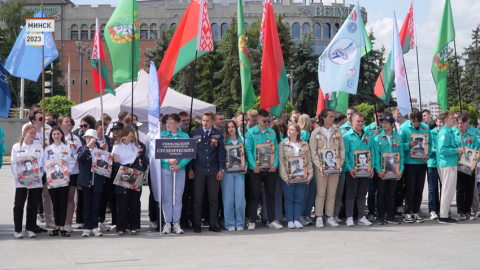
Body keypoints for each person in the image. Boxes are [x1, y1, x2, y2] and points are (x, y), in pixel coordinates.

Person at [188, 111, 226, 233]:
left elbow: (221, 153)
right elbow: (190, 153)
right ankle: (197, 224)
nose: (205, 123)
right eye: (203, 120)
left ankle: (213, 223)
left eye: (207, 120)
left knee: (213, 199)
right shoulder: (194, 133)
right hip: (198, 170)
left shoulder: (218, 134)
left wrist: (221, 169)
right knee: (197, 199)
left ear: (213, 122)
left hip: (213, 170)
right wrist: (190, 169)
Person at [245, 109, 283, 230]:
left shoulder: (272, 132)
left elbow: (276, 149)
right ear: (258, 120)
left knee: (270, 194)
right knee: (254, 195)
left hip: (270, 168)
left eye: (268, 120)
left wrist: (275, 164)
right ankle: (252, 219)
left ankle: (271, 219)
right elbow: (248, 150)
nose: (266, 122)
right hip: (256, 169)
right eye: (264, 120)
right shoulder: (251, 133)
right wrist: (253, 166)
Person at [310, 108, 345, 228]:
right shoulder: (316, 132)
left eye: (333, 116)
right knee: (321, 193)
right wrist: (319, 166)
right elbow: (313, 151)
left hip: (335, 166)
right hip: (321, 168)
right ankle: (319, 216)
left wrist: (339, 165)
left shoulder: (337, 131)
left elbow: (341, 149)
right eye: (330, 116)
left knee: (332, 193)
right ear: (323, 118)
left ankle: (330, 217)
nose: (333, 118)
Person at [112, 125, 147, 235]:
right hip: (122, 173)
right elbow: (116, 162)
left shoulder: (135, 146)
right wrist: (125, 170)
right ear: (124, 135)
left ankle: (133, 226)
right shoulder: (117, 146)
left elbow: (138, 160)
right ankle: (121, 227)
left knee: (134, 201)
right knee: (122, 202)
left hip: (133, 172)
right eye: (129, 136)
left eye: (132, 137)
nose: (131, 138)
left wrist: (136, 170)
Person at [160, 114, 191, 234]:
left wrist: (179, 165)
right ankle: (167, 222)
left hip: (180, 170)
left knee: (178, 197)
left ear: (178, 123)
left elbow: (188, 154)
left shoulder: (184, 136)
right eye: (167, 122)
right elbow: (157, 153)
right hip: (165, 169)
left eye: (171, 122)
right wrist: (167, 160)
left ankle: (177, 223)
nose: (168, 124)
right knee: (167, 196)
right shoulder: (162, 136)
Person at [11, 125, 45, 238]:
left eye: (35, 133)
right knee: (19, 204)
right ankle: (18, 230)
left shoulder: (39, 146)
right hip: (21, 182)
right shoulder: (17, 147)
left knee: (33, 204)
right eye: (31, 133)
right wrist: (20, 178)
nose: (33, 135)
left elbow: (42, 163)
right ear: (25, 132)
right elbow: (13, 164)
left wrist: (37, 176)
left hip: (36, 180)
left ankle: (30, 229)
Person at [278, 123, 313, 229]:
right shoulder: (283, 144)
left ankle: (297, 219)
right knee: (289, 198)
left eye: (292, 129)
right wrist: (285, 177)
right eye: (288, 129)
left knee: (299, 198)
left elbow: (308, 161)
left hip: (302, 176)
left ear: (298, 132)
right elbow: (281, 161)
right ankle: (290, 220)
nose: (289, 131)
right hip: (288, 176)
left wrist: (310, 175)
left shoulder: (304, 144)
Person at [343, 112, 375, 227]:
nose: (360, 123)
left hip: (366, 169)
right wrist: (349, 168)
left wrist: (372, 167)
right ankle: (350, 217)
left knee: (362, 194)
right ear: (352, 122)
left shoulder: (368, 136)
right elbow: (345, 154)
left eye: (362, 121)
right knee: (351, 194)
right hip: (352, 170)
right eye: (358, 121)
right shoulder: (347, 136)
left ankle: (362, 217)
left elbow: (373, 153)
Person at [400, 111, 432, 223]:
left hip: (422, 163)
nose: (416, 123)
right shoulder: (404, 128)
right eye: (414, 121)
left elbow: (430, 144)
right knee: (410, 189)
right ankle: (407, 212)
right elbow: (399, 145)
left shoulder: (425, 128)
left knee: (419, 189)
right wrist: (408, 145)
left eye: (418, 121)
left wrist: (428, 154)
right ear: (410, 120)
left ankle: (415, 212)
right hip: (409, 163)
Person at [44, 126, 75, 237]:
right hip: (52, 181)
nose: (56, 136)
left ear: (62, 135)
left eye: (58, 134)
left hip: (64, 180)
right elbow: (44, 165)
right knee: (55, 203)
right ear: (51, 136)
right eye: (54, 134)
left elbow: (71, 163)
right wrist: (50, 172)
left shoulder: (67, 148)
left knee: (63, 203)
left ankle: (62, 226)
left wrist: (65, 172)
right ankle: (56, 226)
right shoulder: (48, 149)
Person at [373, 115, 404, 225]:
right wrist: (378, 170)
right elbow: (376, 156)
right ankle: (381, 216)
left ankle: (391, 216)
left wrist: (401, 170)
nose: (384, 124)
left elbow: (401, 155)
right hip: (382, 171)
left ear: (392, 124)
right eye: (383, 122)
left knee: (392, 194)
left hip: (394, 170)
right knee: (381, 194)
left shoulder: (398, 137)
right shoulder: (377, 138)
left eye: (386, 122)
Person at [77, 129, 106, 237]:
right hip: (86, 181)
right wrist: (87, 147)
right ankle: (87, 227)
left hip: (97, 181)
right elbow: (80, 159)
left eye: (90, 138)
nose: (88, 139)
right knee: (86, 205)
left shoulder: (100, 151)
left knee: (95, 205)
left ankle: (94, 226)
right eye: (86, 138)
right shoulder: (82, 149)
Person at [437, 110, 463, 224]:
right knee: (447, 190)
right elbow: (442, 150)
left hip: (450, 164)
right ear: (446, 120)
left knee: (449, 190)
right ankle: (443, 215)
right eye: (452, 118)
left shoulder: (449, 131)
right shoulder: (444, 133)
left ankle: (444, 213)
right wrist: (456, 150)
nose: (455, 119)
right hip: (447, 164)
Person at [57, 115, 83, 233]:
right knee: (59, 197)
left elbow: (80, 153)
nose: (68, 123)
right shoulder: (56, 137)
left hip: (73, 171)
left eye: (69, 122)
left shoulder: (75, 139)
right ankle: (59, 222)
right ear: (60, 124)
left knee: (70, 197)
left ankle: (68, 222)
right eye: (65, 121)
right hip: (58, 172)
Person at [221, 120, 247, 231]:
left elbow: (248, 154)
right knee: (228, 199)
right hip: (227, 173)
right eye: (229, 127)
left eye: (233, 127)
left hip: (240, 173)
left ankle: (240, 223)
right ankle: (230, 223)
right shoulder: (223, 142)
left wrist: (247, 166)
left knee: (240, 199)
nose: (231, 129)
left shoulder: (243, 141)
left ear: (236, 128)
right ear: (226, 129)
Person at [453, 113, 478, 221]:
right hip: (459, 165)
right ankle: (460, 211)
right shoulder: (454, 135)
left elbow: (477, 147)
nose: (460, 125)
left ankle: (468, 211)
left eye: (462, 123)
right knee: (460, 189)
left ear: (466, 123)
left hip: (470, 164)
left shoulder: (472, 134)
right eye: (458, 123)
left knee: (470, 188)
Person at [427, 118, 443, 220]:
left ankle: (443, 208)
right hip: (432, 163)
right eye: (439, 121)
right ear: (436, 122)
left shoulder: (446, 132)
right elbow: (427, 147)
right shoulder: (430, 132)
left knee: (444, 188)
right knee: (432, 189)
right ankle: (432, 210)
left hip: (443, 164)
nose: (440, 123)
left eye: (442, 121)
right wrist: (435, 150)